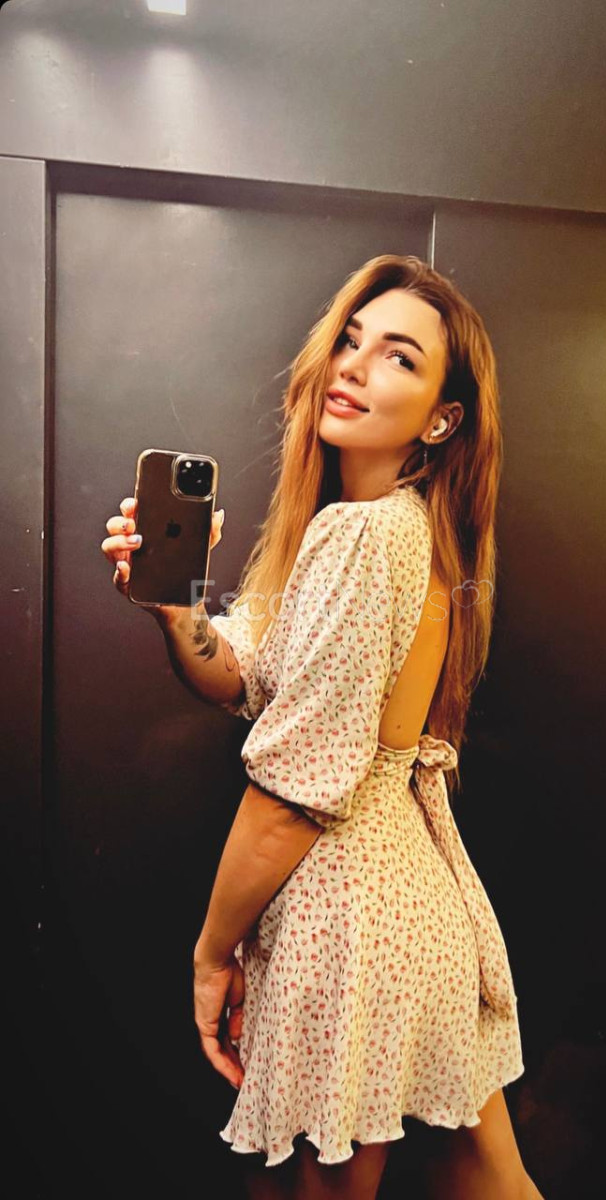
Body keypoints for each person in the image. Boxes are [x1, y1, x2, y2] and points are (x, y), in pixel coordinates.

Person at [102, 254, 545, 1199]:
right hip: (420, 917)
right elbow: (247, 681)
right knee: (492, 1183)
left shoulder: (361, 537)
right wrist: (179, 611)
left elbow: (291, 799)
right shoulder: (399, 529)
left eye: (397, 356)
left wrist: (211, 954)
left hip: (349, 930)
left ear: (441, 419)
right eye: (350, 339)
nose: (354, 364)